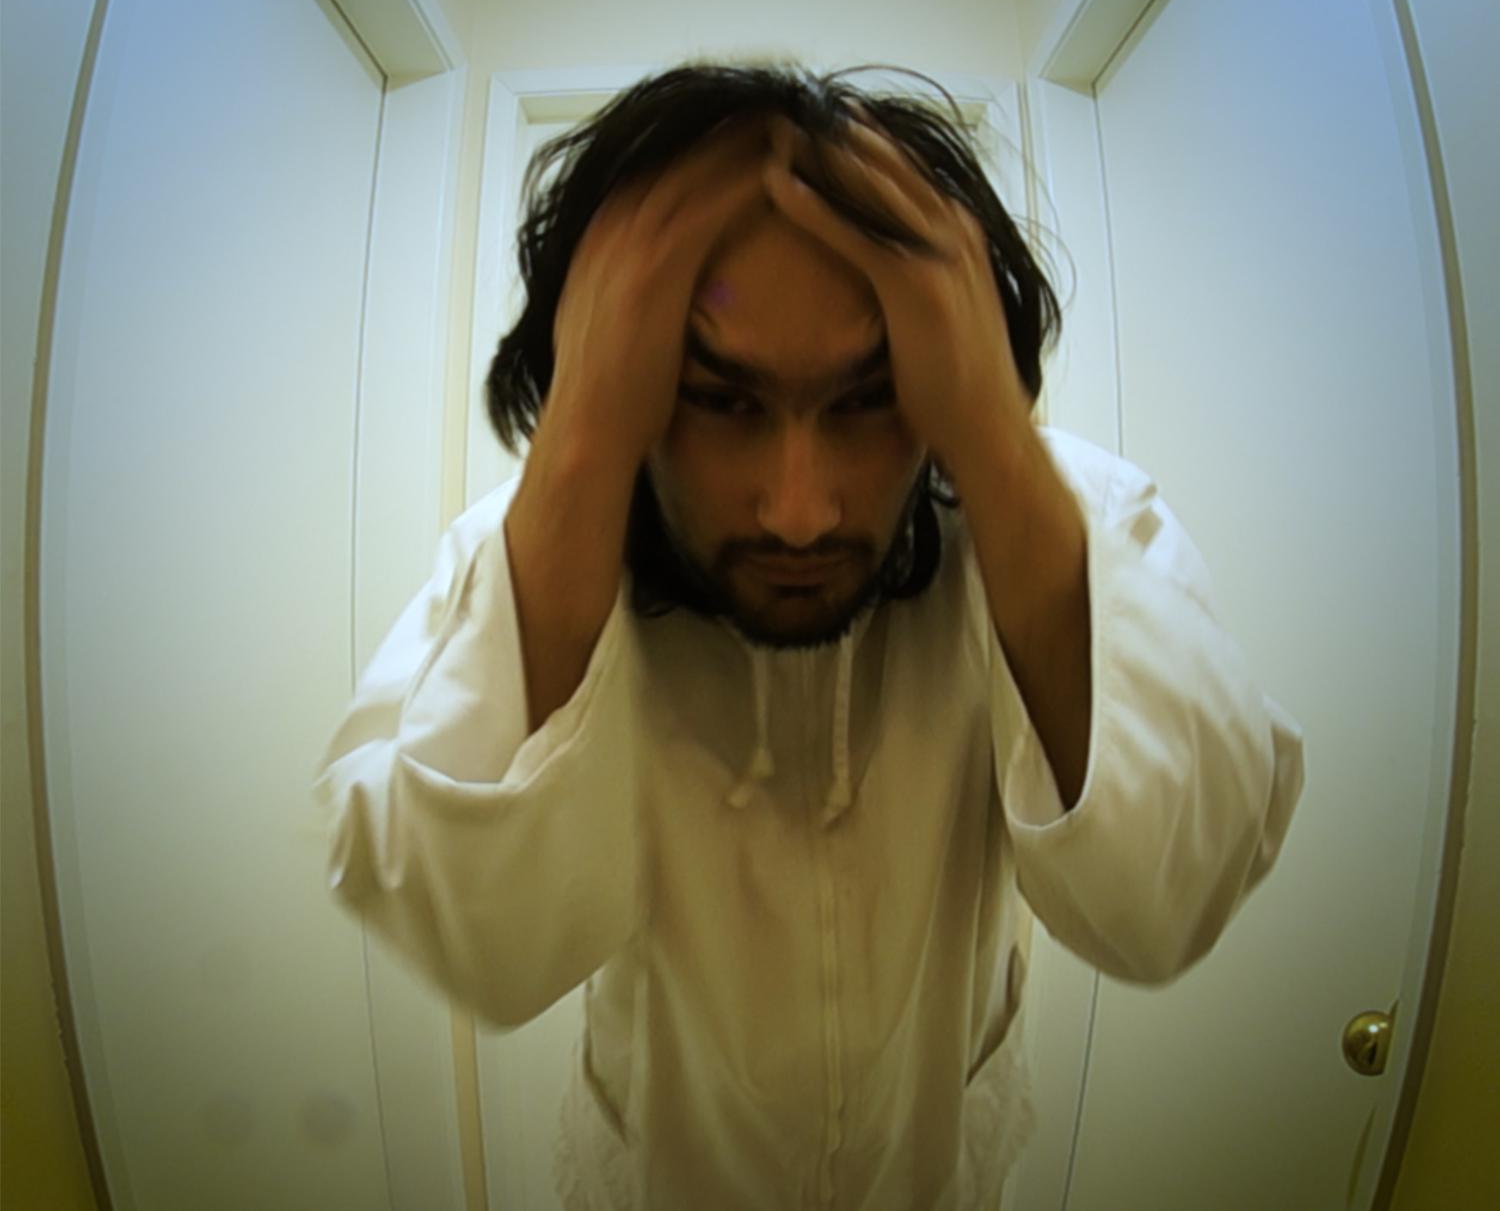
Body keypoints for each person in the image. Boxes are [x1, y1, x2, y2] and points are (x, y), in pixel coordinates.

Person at [312, 61, 1305, 1211]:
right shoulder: (530, 550)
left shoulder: (1064, 518)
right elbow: (477, 936)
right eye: (721, 400)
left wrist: (990, 433)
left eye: (869, 399)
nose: (799, 510)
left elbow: (1167, 898)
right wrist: (580, 438)